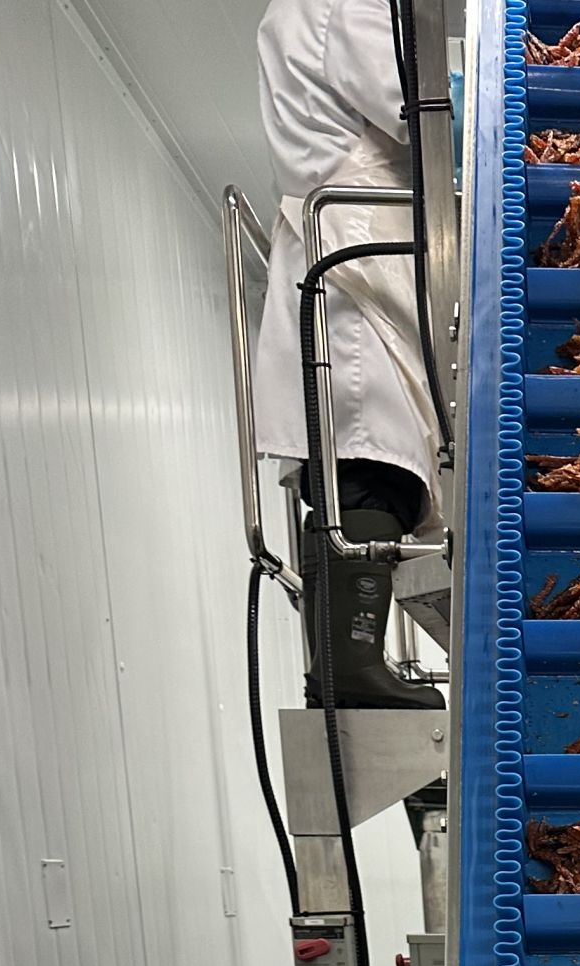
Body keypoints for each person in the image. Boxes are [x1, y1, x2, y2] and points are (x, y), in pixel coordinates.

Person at [255, 0, 445, 709]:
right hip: (354, 262)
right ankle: (351, 667)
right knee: (369, 461)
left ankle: (348, 664)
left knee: (368, 456)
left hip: (350, 250)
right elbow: (420, 108)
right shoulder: (341, 4)